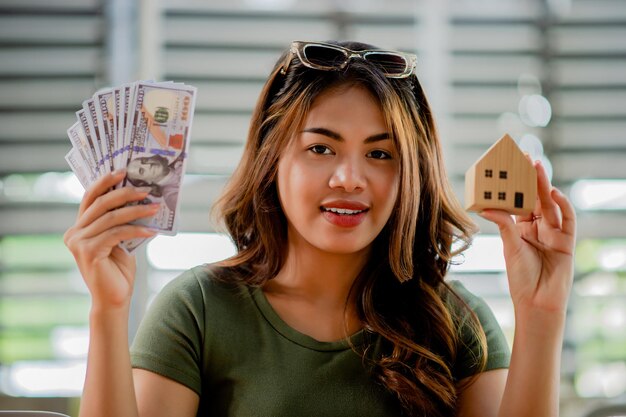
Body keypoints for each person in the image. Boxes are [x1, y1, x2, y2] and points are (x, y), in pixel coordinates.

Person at [64, 40, 576, 417]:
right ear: (272, 160)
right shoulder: (198, 310)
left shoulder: (456, 321)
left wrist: (541, 315)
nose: (349, 178)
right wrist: (108, 311)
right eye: (321, 148)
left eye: (380, 154)